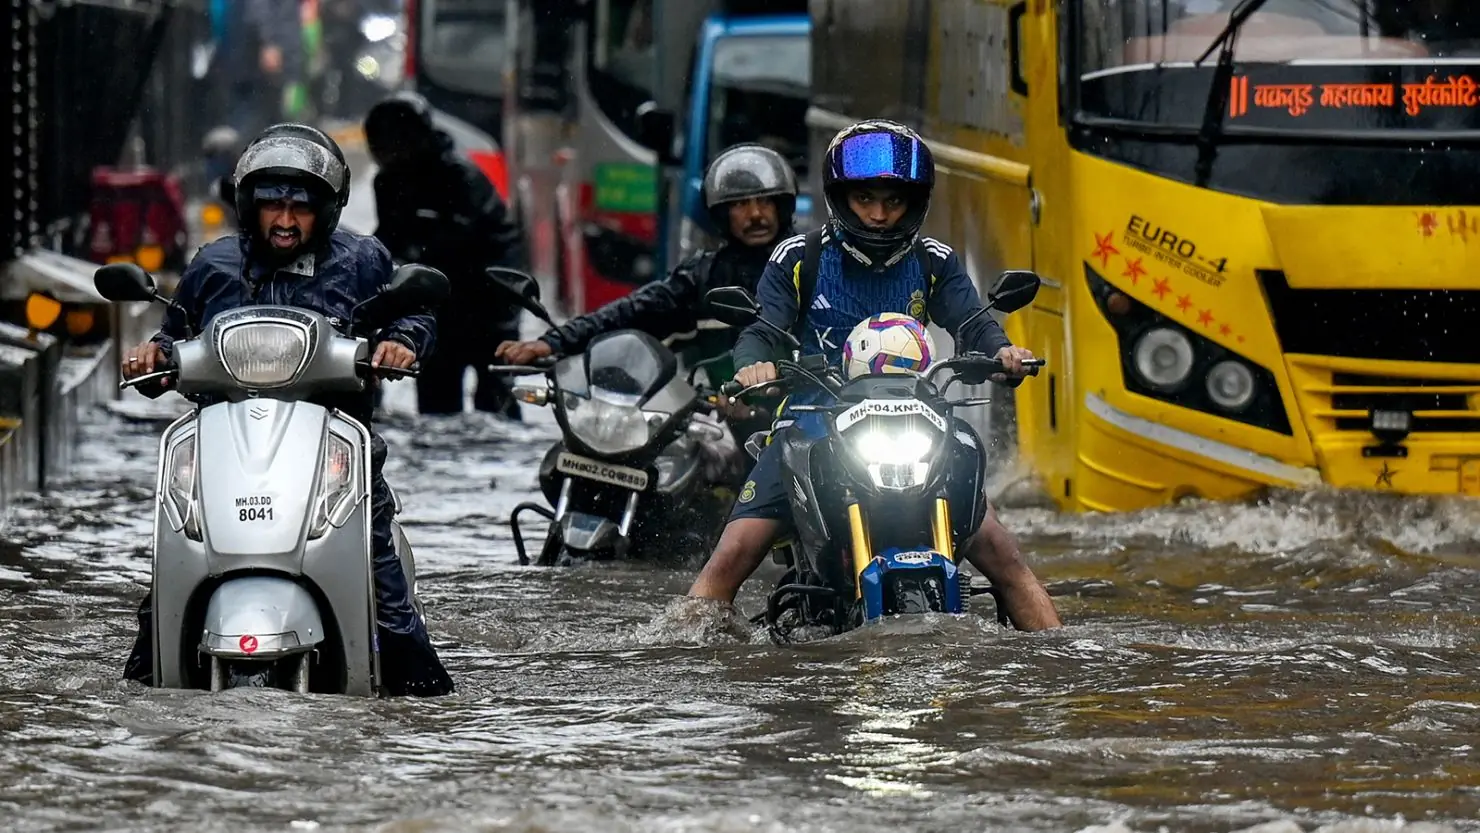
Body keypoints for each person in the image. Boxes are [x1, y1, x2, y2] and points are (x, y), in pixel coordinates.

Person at [119, 123, 455, 697]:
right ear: (249, 205)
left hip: (331, 454)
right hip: (225, 455)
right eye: (271, 204)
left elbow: (412, 314)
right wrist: (152, 355)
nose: (284, 220)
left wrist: (402, 342)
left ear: (324, 211)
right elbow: (174, 335)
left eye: (299, 208)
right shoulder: (213, 266)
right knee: (159, 611)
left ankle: (419, 700)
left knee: (390, 609)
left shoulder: (362, 260)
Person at [686, 120, 1063, 631]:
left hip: (914, 422)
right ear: (841, 198)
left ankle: (1056, 668)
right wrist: (753, 364)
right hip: (809, 422)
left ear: (916, 201)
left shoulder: (936, 262)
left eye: (893, 201)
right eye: (865, 199)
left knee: (1006, 558)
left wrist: (1005, 353)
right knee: (732, 554)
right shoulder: (800, 257)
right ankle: (684, 653)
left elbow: (974, 323)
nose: (880, 215)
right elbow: (763, 328)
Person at [493, 143, 799, 441]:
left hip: (803, 422)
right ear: (721, 214)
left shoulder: (814, 265)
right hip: (721, 423)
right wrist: (553, 342)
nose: (756, 214)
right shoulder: (702, 277)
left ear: (782, 206)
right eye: (740, 204)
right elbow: (632, 311)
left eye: (766, 202)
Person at [365, 91, 526, 418]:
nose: (387, 154)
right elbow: (388, 237)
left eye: (394, 142)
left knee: (497, 400)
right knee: (437, 402)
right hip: (436, 306)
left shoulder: (460, 176)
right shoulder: (387, 182)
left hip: (487, 301)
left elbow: (465, 241)